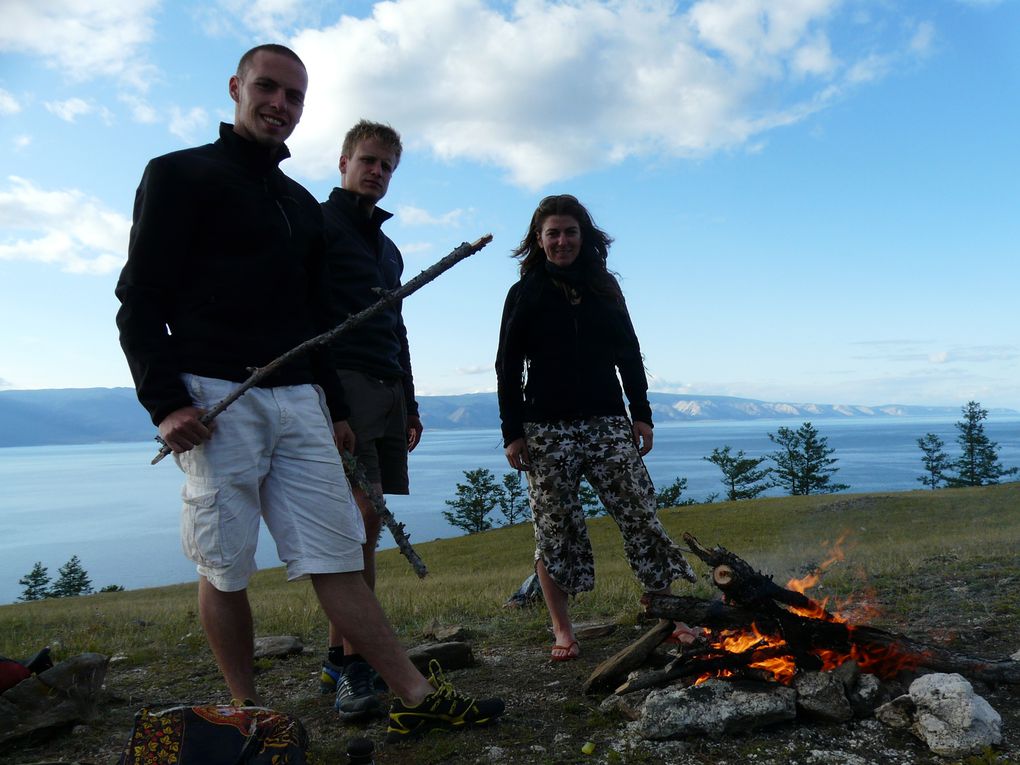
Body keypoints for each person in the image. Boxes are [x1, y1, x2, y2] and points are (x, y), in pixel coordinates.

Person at [115, 43, 503, 738]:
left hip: (298, 397)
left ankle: (414, 695)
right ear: (236, 86)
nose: (280, 105)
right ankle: (246, 712)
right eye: (268, 88)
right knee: (226, 562)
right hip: (213, 395)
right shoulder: (180, 175)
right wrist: (166, 400)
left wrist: (332, 405)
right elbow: (139, 297)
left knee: (337, 547)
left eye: (294, 97)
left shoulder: (298, 205)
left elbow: (314, 321)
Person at [495, 194, 697, 661]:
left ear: (583, 236)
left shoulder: (605, 287)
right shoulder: (523, 292)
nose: (562, 240)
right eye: (553, 233)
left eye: (570, 232)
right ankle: (563, 630)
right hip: (545, 429)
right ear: (538, 240)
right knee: (555, 530)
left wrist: (640, 412)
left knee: (641, 518)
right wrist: (512, 431)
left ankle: (672, 617)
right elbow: (507, 368)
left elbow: (629, 351)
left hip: (607, 422)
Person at [316, 120, 424, 718]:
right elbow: (309, 320)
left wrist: (410, 400)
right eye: (369, 160)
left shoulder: (388, 248)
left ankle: (341, 658)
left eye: (387, 166)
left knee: (369, 526)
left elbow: (397, 327)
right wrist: (331, 404)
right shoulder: (319, 226)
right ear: (343, 161)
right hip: (343, 386)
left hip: (385, 390)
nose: (377, 172)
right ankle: (357, 667)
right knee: (355, 518)